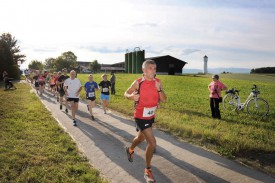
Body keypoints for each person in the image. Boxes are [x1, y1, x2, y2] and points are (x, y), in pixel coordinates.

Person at [124, 60, 167, 183]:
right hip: (140, 116)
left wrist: (159, 91)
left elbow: (164, 99)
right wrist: (131, 97)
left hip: (150, 115)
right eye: (150, 68)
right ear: (144, 70)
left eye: (154, 68)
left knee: (140, 138)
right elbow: (125, 93)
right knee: (152, 143)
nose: (153, 70)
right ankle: (147, 171)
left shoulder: (158, 82)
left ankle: (130, 150)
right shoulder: (138, 82)